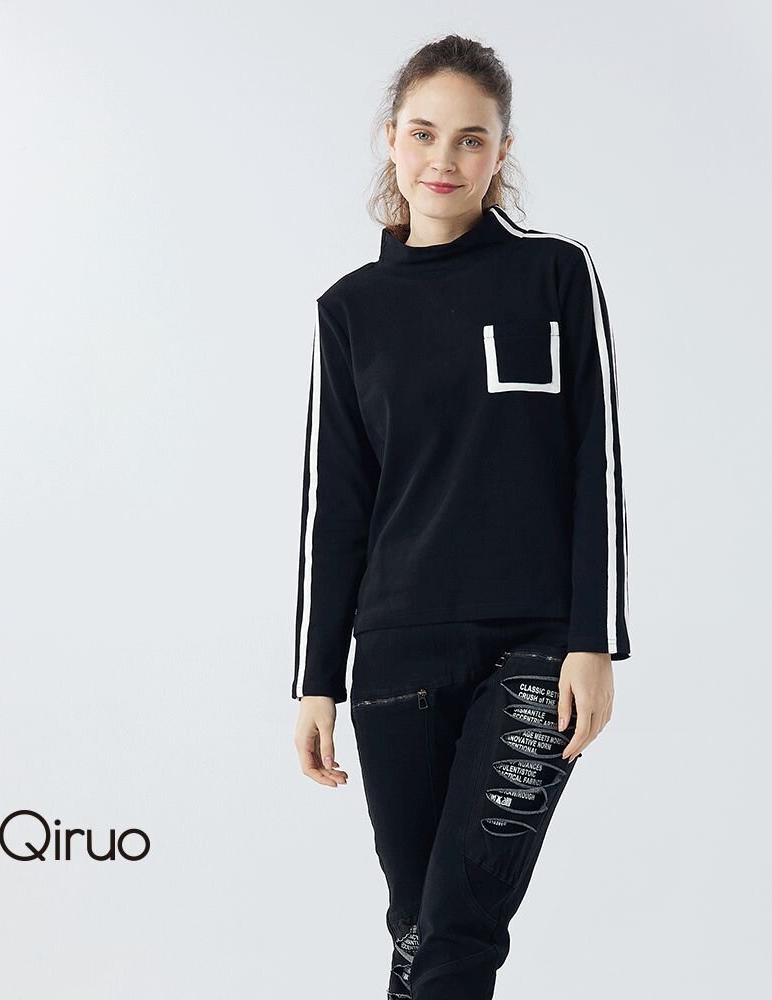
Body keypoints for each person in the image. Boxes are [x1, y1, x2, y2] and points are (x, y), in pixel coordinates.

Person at [290, 33, 631, 1000]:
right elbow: (335, 506)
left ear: (501, 151)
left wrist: (595, 639)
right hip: (394, 657)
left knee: (460, 929)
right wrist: (317, 680)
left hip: (534, 652)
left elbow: (597, 460)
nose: (444, 159)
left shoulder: (555, 275)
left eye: (471, 139)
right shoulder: (348, 311)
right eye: (424, 133)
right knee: (417, 931)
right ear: (390, 139)